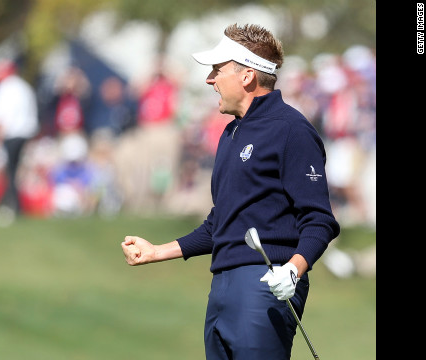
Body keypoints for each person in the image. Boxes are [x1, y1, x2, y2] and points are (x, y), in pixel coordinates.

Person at [120, 23, 340, 360]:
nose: (209, 80)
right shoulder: (231, 134)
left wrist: (294, 269)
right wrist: (156, 252)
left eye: (217, 70)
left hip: (266, 285)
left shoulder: (292, 130)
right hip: (222, 287)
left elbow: (319, 220)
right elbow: (221, 222)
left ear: (247, 76)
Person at [0, 59, 40, 217]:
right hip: (27, 135)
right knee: (19, 173)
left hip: (11, 135)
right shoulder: (25, 87)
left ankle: (13, 206)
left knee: (10, 172)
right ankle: (16, 205)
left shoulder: (5, 88)